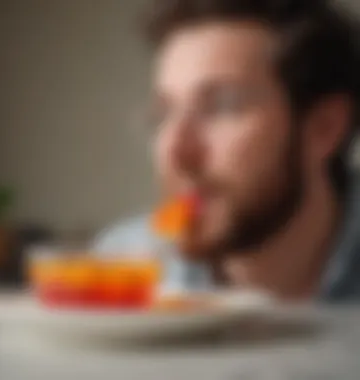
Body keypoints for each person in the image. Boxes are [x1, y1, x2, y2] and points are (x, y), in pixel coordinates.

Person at [95, 0, 360, 302]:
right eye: (163, 113)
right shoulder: (117, 266)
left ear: (324, 128)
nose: (175, 152)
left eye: (221, 106)